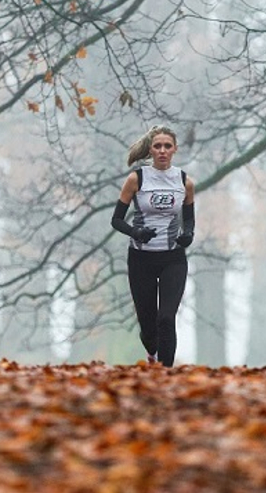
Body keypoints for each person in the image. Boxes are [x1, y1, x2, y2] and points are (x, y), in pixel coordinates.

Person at [111, 125, 195, 367]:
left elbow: (188, 219)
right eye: (157, 146)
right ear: (150, 149)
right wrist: (135, 231)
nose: (162, 151)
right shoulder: (136, 179)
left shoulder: (184, 182)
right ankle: (152, 353)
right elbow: (116, 219)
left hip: (173, 259)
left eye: (167, 146)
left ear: (175, 149)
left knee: (167, 319)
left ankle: (167, 375)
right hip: (141, 258)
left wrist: (188, 234)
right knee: (149, 328)